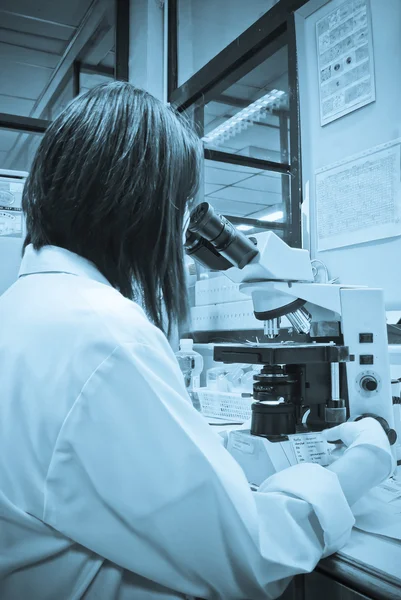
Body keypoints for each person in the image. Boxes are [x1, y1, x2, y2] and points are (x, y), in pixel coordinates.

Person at [0, 81, 394, 600]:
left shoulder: (25, 307)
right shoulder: (102, 336)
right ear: (140, 206)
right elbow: (253, 554)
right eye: (181, 206)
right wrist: (365, 460)